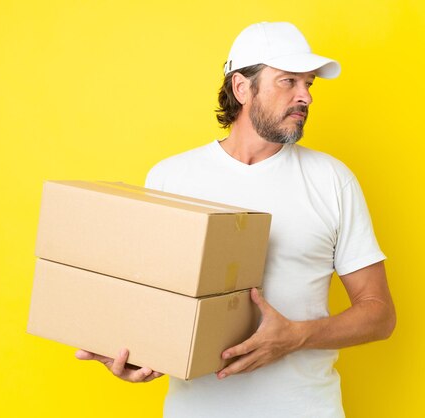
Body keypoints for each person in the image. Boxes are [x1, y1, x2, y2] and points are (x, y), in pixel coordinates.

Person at [76, 21, 396, 417]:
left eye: (309, 84)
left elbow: (379, 314)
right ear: (242, 88)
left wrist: (296, 337)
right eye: (289, 82)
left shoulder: (331, 180)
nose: (305, 97)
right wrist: (135, 354)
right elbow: (151, 302)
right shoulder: (171, 178)